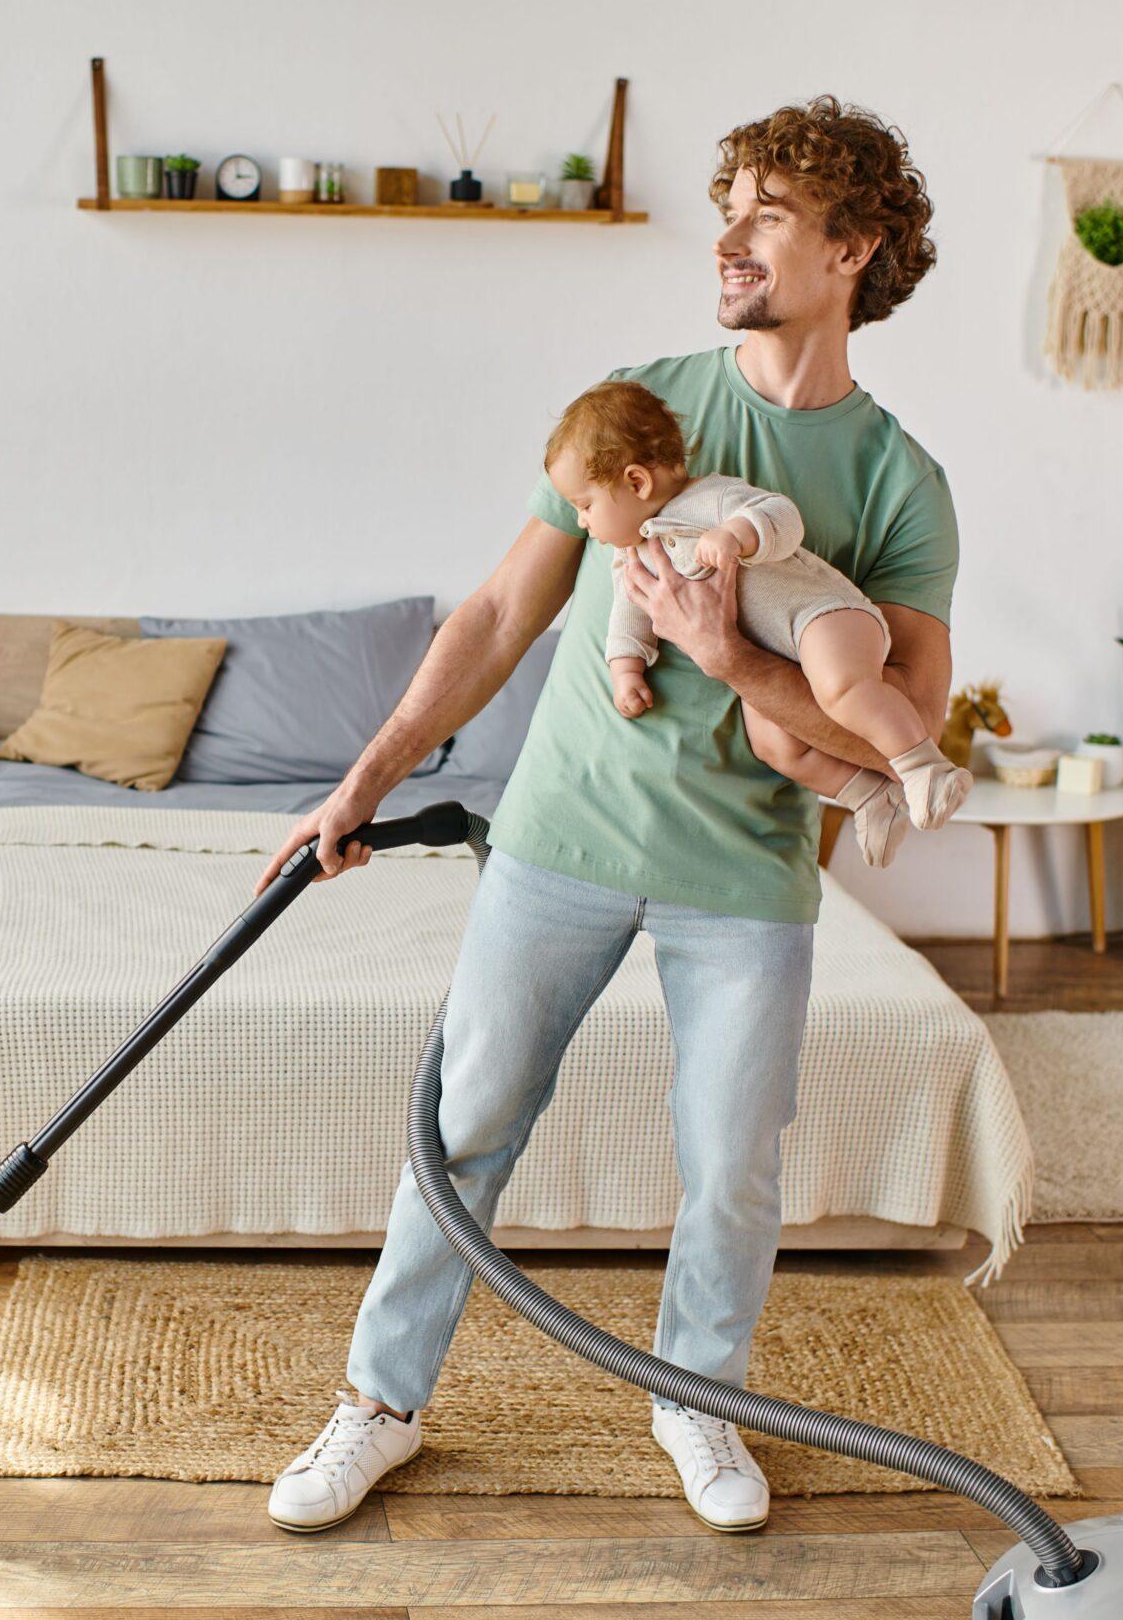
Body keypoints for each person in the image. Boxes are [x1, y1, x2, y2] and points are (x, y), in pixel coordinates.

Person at [252, 96, 958, 1536]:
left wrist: (731, 658)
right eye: (731, 205)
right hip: (563, 837)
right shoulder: (642, 405)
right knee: (467, 1122)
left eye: (768, 213)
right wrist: (369, 774)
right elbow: (506, 606)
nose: (730, 235)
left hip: (748, 870)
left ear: (854, 249)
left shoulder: (900, 483)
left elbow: (905, 731)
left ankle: (701, 1395)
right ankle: (378, 1404)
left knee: (735, 1161)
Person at [541, 379, 970, 867]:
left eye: (585, 505)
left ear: (637, 482)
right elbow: (630, 613)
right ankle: (871, 797)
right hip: (773, 656)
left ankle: (924, 767)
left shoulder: (710, 498)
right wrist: (626, 670)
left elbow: (781, 516)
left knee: (842, 689)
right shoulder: (632, 558)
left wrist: (737, 535)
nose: (581, 522)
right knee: (775, 747)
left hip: (822, 617)